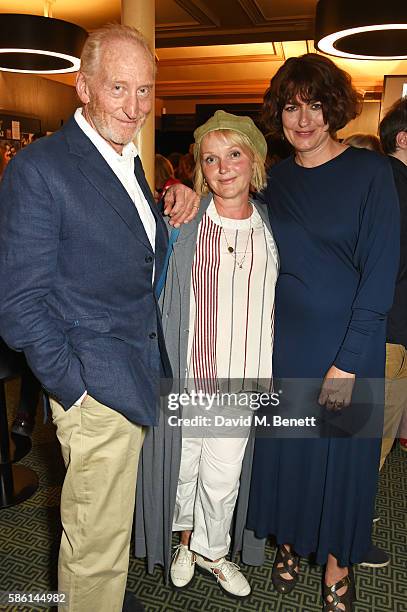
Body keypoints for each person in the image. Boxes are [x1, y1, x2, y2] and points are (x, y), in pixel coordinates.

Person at [165, 54, 399, 611]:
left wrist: (347, 361)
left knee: (342, 461)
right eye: (292, 106)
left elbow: (381, 274)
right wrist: (186, 191)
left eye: (316, 105)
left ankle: (338, 568)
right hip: (283, 346)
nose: (304, 119)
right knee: (292, 454)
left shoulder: (374, 174)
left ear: (334, 108)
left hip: (351, 348)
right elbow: (231, 206)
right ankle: (291, 545)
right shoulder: (277, 179)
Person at [0, 24, 194, 612]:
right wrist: (75, 390)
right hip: (93, 389)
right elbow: (17, 306)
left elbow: (128, 247)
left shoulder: (124, 157)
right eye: (118, 88)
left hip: (130, 371)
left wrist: (177, 199)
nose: (134, 107)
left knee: (104, 531)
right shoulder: (40, 169)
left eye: (144, 91)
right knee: (93, 542)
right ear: (83, 87)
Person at [135, 111, 278, 599]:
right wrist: (173, 190)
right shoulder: (186, 221)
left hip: (244, 381)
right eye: (211, 158)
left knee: (224, 476)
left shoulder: (273, 225)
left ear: (254, 159)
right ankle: (184, 542)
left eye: (233, 154)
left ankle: (213, 553)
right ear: (200, 168)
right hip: (192, 375)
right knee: (183, 469)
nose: (223, 167)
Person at [379, 98, 407, 461]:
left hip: (391, 332)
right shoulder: (390, 186)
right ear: (403, 138)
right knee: (371, 441)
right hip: (386, 335)